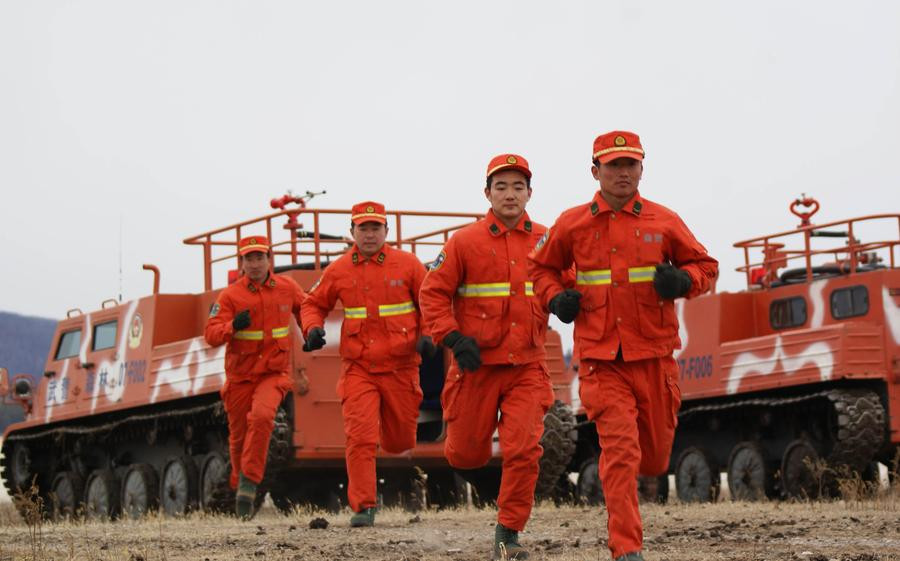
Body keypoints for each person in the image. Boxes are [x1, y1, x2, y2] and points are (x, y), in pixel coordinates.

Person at [528, 131, 719, 561]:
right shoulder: (572, 224)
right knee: (620, 452)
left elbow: (706, 266)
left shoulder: (664, 221)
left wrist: (683, 280)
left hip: (655, 359)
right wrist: (555, 299)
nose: (622, 172)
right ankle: (627, 548)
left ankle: (632, 529)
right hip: (601, 361)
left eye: (630, 164)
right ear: (595, 171)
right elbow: (540, 270)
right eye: (613, 165)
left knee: (653, 459)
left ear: (642, 169)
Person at [419, 154, 555, 561]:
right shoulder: (464, 242)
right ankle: (488, 486)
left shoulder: (548, 241)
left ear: (530, 193)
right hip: (474, 368)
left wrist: (566, 301)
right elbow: (432, 294)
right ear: (487, 193)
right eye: (501, 187)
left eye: (518, 187)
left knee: (524, 449)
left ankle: (507, 535)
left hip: (527, 366)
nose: (510, 194)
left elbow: (569, 282)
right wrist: (453, 338)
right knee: (464, 454)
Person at [300, 201, 432, 528]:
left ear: (386, 231)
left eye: (375, 228)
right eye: (363, 228)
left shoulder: (408, 264)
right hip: (359, 367)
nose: (369, 234)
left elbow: (432, 301)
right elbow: (312, 303)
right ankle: (364, 507)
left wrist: (429, 335)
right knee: (360, 436)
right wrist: (312, 328)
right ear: (352, 232)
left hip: (401, 368)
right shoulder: (339, 269)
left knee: (400, 441)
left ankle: (389, 433)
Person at [204, 235, 307, 519]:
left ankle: (249, 484)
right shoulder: (230, 296)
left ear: (269, 260)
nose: (255, 264)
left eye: (259, 257)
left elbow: (307, 309)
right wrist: (231, 326)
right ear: (241, 263)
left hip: (273, 374)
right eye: (249, 258)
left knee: (262, 418)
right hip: (240, 378)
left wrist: (311, 332)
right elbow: (210, 334)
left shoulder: (287, 288)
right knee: (238, 439)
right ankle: (240, 481)